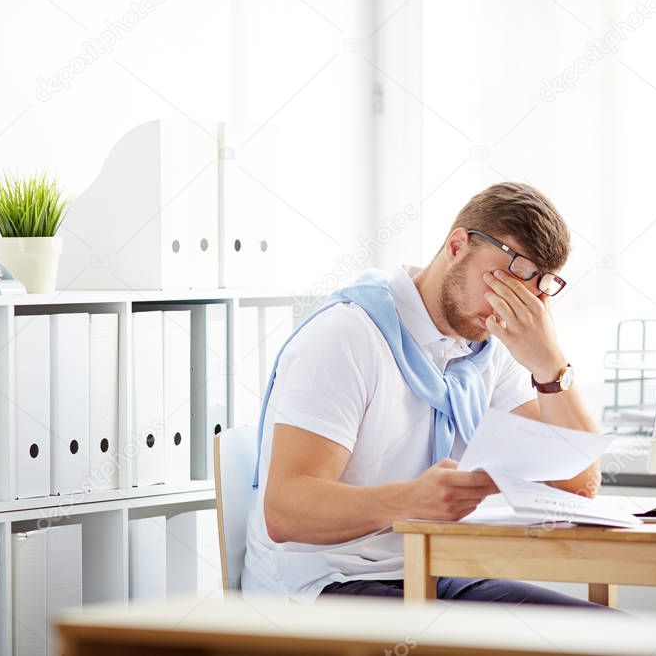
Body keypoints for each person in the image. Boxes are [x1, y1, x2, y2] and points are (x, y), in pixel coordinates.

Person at [242, 182, 605, 607]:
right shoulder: (347, 335)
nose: (515, 304)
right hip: (324, 582)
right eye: (509, 277)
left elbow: (578, 484)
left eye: (536, 289)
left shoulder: (488, 346)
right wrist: (411, 501)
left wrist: (550, 366)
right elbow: (285, 512)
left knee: (605, 639)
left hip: (433, 573)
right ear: (457, 245)